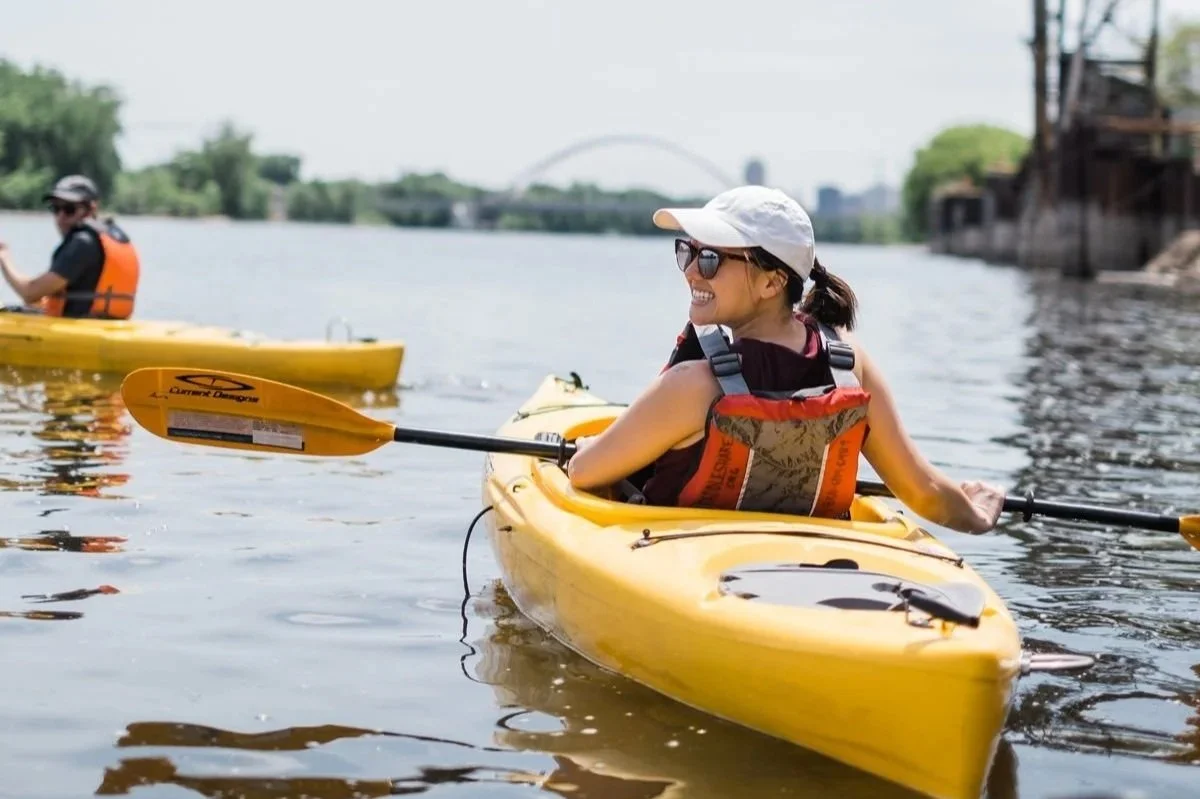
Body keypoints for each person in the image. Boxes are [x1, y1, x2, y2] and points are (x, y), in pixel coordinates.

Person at [566, 185, 1005, 534]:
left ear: (772, 282)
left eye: (713, 258)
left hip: (682, 572)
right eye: (689, 251)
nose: (692, 270)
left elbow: (585, 473)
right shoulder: (849, 369)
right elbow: (923, 491)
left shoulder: (691, 387)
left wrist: (587, 450)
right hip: (808, 571)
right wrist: (976, 515)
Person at [0, 174, 140, 319]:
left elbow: (29, 293)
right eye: (55, 208)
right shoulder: (109, 236)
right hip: (106, 327)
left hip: (81, 331)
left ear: (91, 209)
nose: (61, 217)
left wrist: (4, 256)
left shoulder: (82, 243)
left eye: (69, 209)